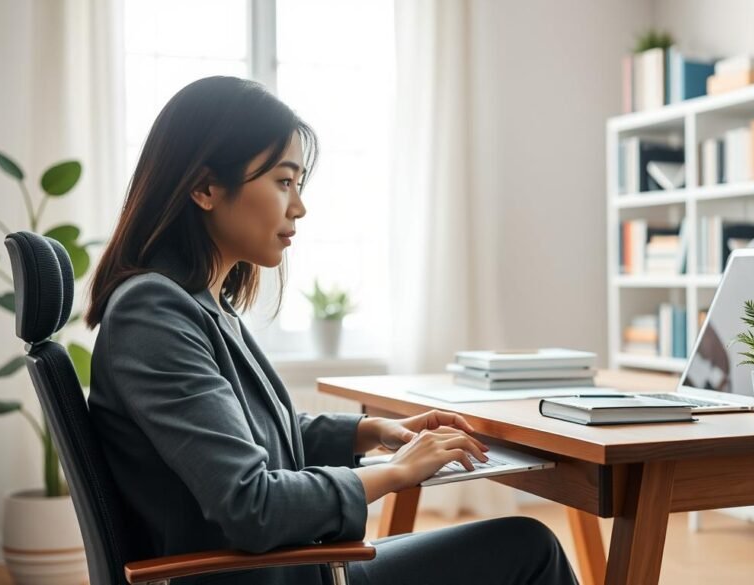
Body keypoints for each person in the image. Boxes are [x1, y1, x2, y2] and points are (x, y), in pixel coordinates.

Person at [85, 76, 578, 585]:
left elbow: (254, 432)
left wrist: (377, 432)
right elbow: (251, 505)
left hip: (291, 566)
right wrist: (394, 472)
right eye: (283, 181)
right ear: (206, 187)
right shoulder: (154, 312)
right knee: (529, 546)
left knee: (521, 543)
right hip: (277, 572)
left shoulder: (199, 302)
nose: (298, 206)